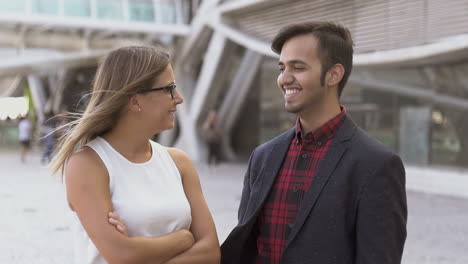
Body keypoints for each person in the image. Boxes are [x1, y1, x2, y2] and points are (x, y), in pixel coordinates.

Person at [221, 22, 407, 264]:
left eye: (297, 67)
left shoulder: (376, 164)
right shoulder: (263, 157)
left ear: (334, 74)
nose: (284, 79)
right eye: (282, 68)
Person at [51, 46, 220, 264]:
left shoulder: (179, 163)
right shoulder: (87, 164)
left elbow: (211, 252)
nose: (178, 98)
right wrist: (183, 238)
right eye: (169, 88)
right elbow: (122, 255)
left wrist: (142, 250)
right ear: (135, 101)